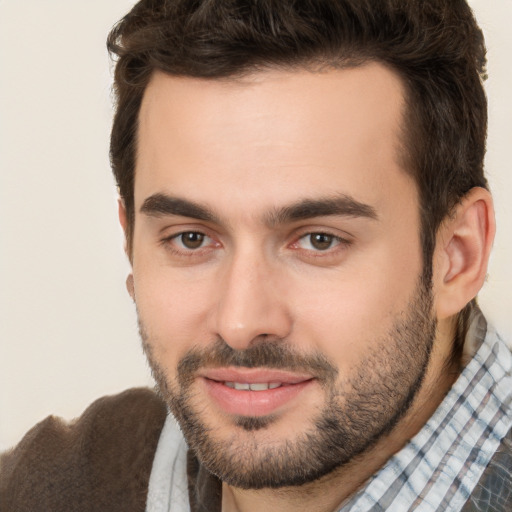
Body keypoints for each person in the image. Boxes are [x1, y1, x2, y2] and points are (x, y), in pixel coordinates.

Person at [1, 0, 511, 511]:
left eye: (319, 240)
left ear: (457, 256)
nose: (241, 323)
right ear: (131, 242)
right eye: (191, 239)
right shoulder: (56, 484)